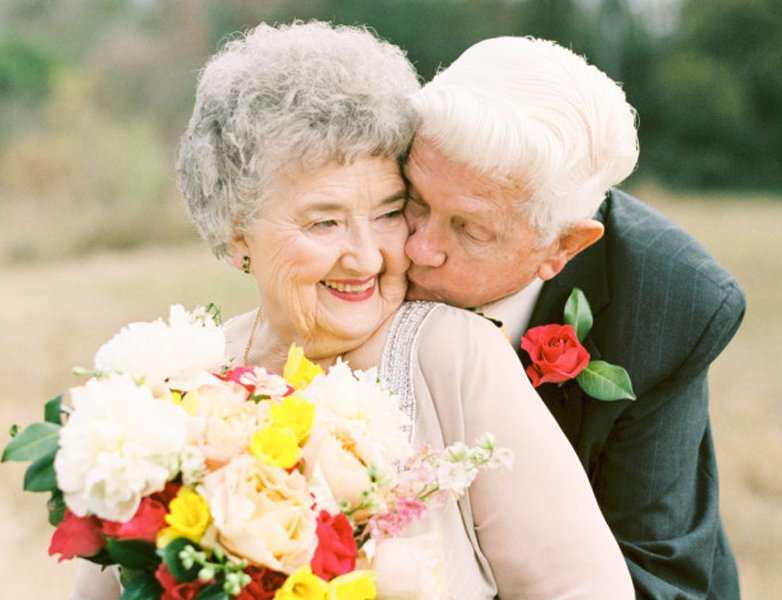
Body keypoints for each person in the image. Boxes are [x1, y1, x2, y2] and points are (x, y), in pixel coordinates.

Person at [69, 22, 633, 600]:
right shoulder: (166, 390)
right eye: (324, 222)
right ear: (237, 232)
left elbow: (582, 588)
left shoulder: (453, 356)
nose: (367, 256)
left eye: (390, 211)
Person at [404, 36, 745, 599]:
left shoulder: (667, 302)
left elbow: (655, 570)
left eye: (469, 228)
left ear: (561, 246)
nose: (419, 248)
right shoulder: (365, 233)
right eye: (415, 199)